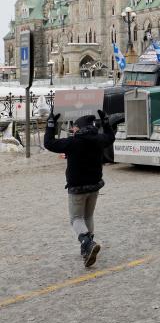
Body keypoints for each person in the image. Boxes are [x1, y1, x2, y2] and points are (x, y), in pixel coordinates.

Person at [44, 110, 115, 267]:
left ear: (80, 128)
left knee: (76, 219)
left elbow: (49, 143)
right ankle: (86, 249)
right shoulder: (99, 139)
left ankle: (88, 244)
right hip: (95, 186)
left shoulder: (72, 142)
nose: (73, 129)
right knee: (88, 216)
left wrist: (50, 124)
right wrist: (106, 122)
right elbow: (111, 137)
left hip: (77, 188)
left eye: (75, 126)